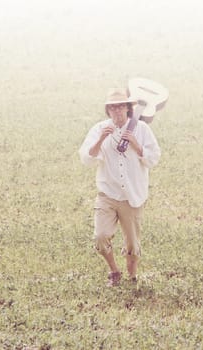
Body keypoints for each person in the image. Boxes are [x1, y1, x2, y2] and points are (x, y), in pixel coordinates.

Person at [79, 87, 161, 286]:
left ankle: (132, 276)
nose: (117, 111)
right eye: (112, 108)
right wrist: (100, 139)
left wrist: (136, 145)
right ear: (108, 111)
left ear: (128, 109)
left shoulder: (141, 129)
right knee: (100, 237)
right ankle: (114, 271)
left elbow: (154, 158)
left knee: (133, 244)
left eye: (121, 107)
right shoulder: (99, 129)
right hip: (108, 194)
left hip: (132, 196)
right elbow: (86, 158)